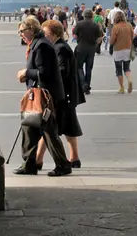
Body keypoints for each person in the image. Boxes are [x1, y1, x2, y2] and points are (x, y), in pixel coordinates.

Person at [14, 17, 72, 176]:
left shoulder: (42, 46)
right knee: (30, 128)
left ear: (31, 29)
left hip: (46, 97)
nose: (20, 34)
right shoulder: (37, 44)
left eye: (21, 31)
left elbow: (44, 72)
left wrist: (26, 73)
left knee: (48, 132)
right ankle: (29, 164)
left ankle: (62, 164)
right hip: (38, 96)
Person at [37, 20, 84, 169]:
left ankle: (37, 160)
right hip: (67, 95)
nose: (44, 36)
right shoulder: (60, 47)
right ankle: (74, 157)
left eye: (46, 33)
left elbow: (62, 72)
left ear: (53, 34)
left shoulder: (60, 49)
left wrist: (48, 79)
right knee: (68, 126)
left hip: (62, 95)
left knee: (49, 126)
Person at [73, 9, 102, 94]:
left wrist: (78, 39)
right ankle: (87, 87)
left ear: (84, 15)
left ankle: (83, 84)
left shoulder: (79, 24)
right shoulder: (95, 25)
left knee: (79, 67)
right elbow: (100, 38)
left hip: (81, 47)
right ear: (91, 16)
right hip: (91, 49)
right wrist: (95, 44)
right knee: (89, 68)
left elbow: (75, 36)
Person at [110, 10, 135, 94]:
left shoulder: (115, 27)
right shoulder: (129, 25)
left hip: (118, 50)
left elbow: (112, 40)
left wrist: (111, 44)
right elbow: (132, 36)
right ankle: (130, 80)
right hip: (127, 49)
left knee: (118, 69)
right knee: (127, 68)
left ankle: (121, 88)